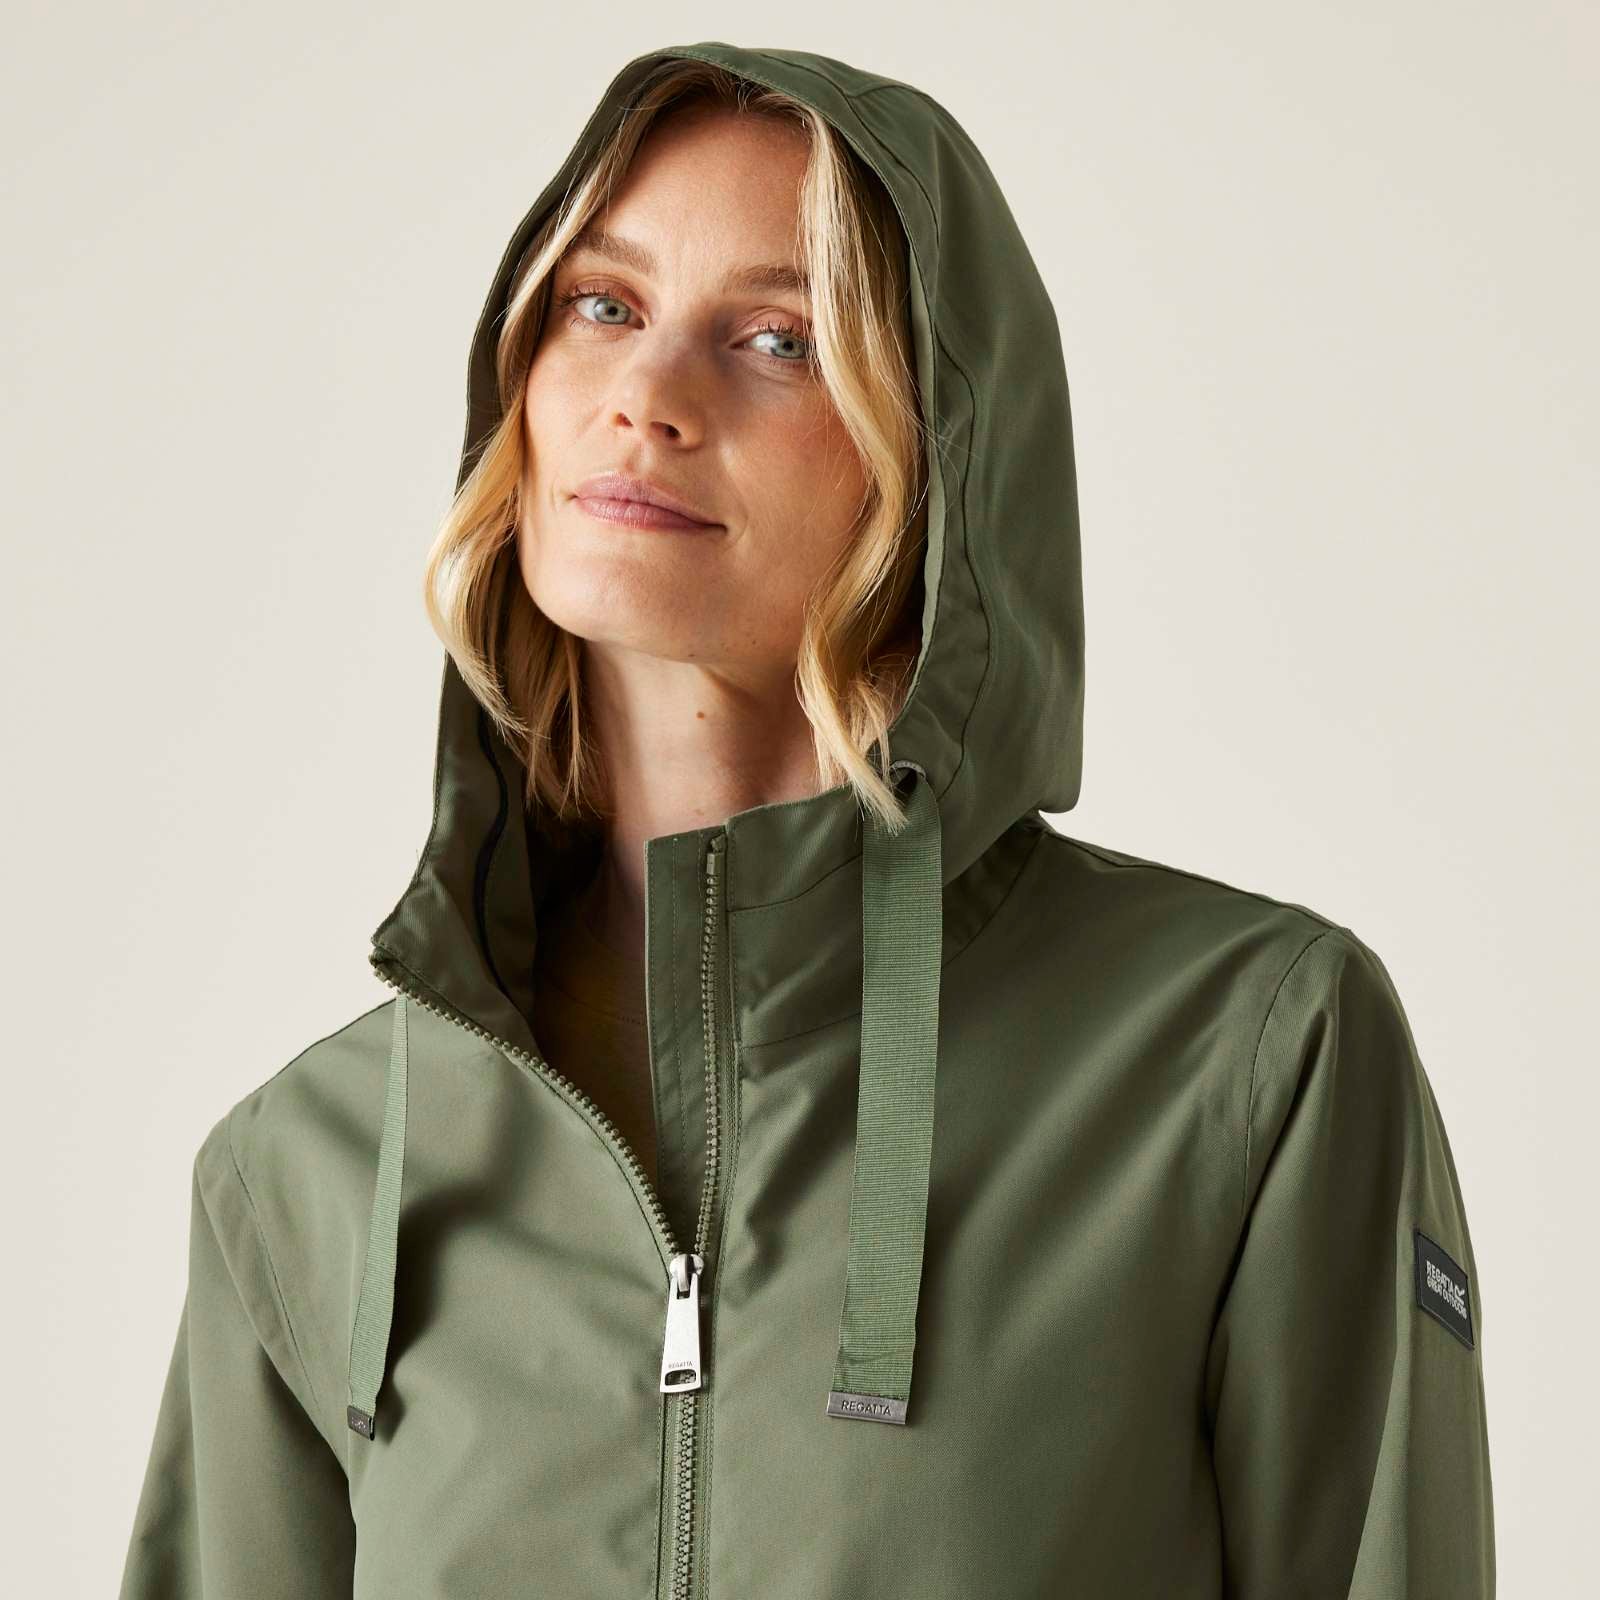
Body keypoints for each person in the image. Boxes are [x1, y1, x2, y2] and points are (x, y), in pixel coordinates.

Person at [117, 40, 1496, 1599]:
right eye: (602, 306)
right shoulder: (315, 1168)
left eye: (778, 339)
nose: (648, 397)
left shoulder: (1242, 1062)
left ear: (940, 458)